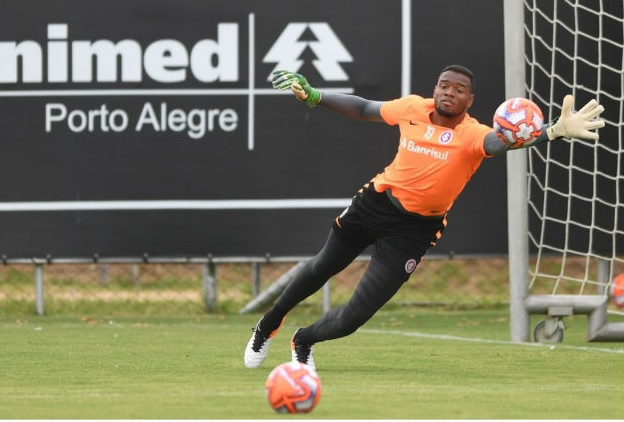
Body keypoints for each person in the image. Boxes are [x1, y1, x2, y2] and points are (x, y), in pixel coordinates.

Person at [244, 65, 605, 369]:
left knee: (355, 316)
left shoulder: (474, 135)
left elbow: (501, 142)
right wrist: (315, 96)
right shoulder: (413, 109)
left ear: (470, 101)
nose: (450, 92)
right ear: (436, 89)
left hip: (413, 232)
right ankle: (268, 324)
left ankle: (303, 340)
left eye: (459, 89)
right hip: (375, 204)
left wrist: (552, 131)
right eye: (444, 86)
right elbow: (366, 107)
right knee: (322, 266)